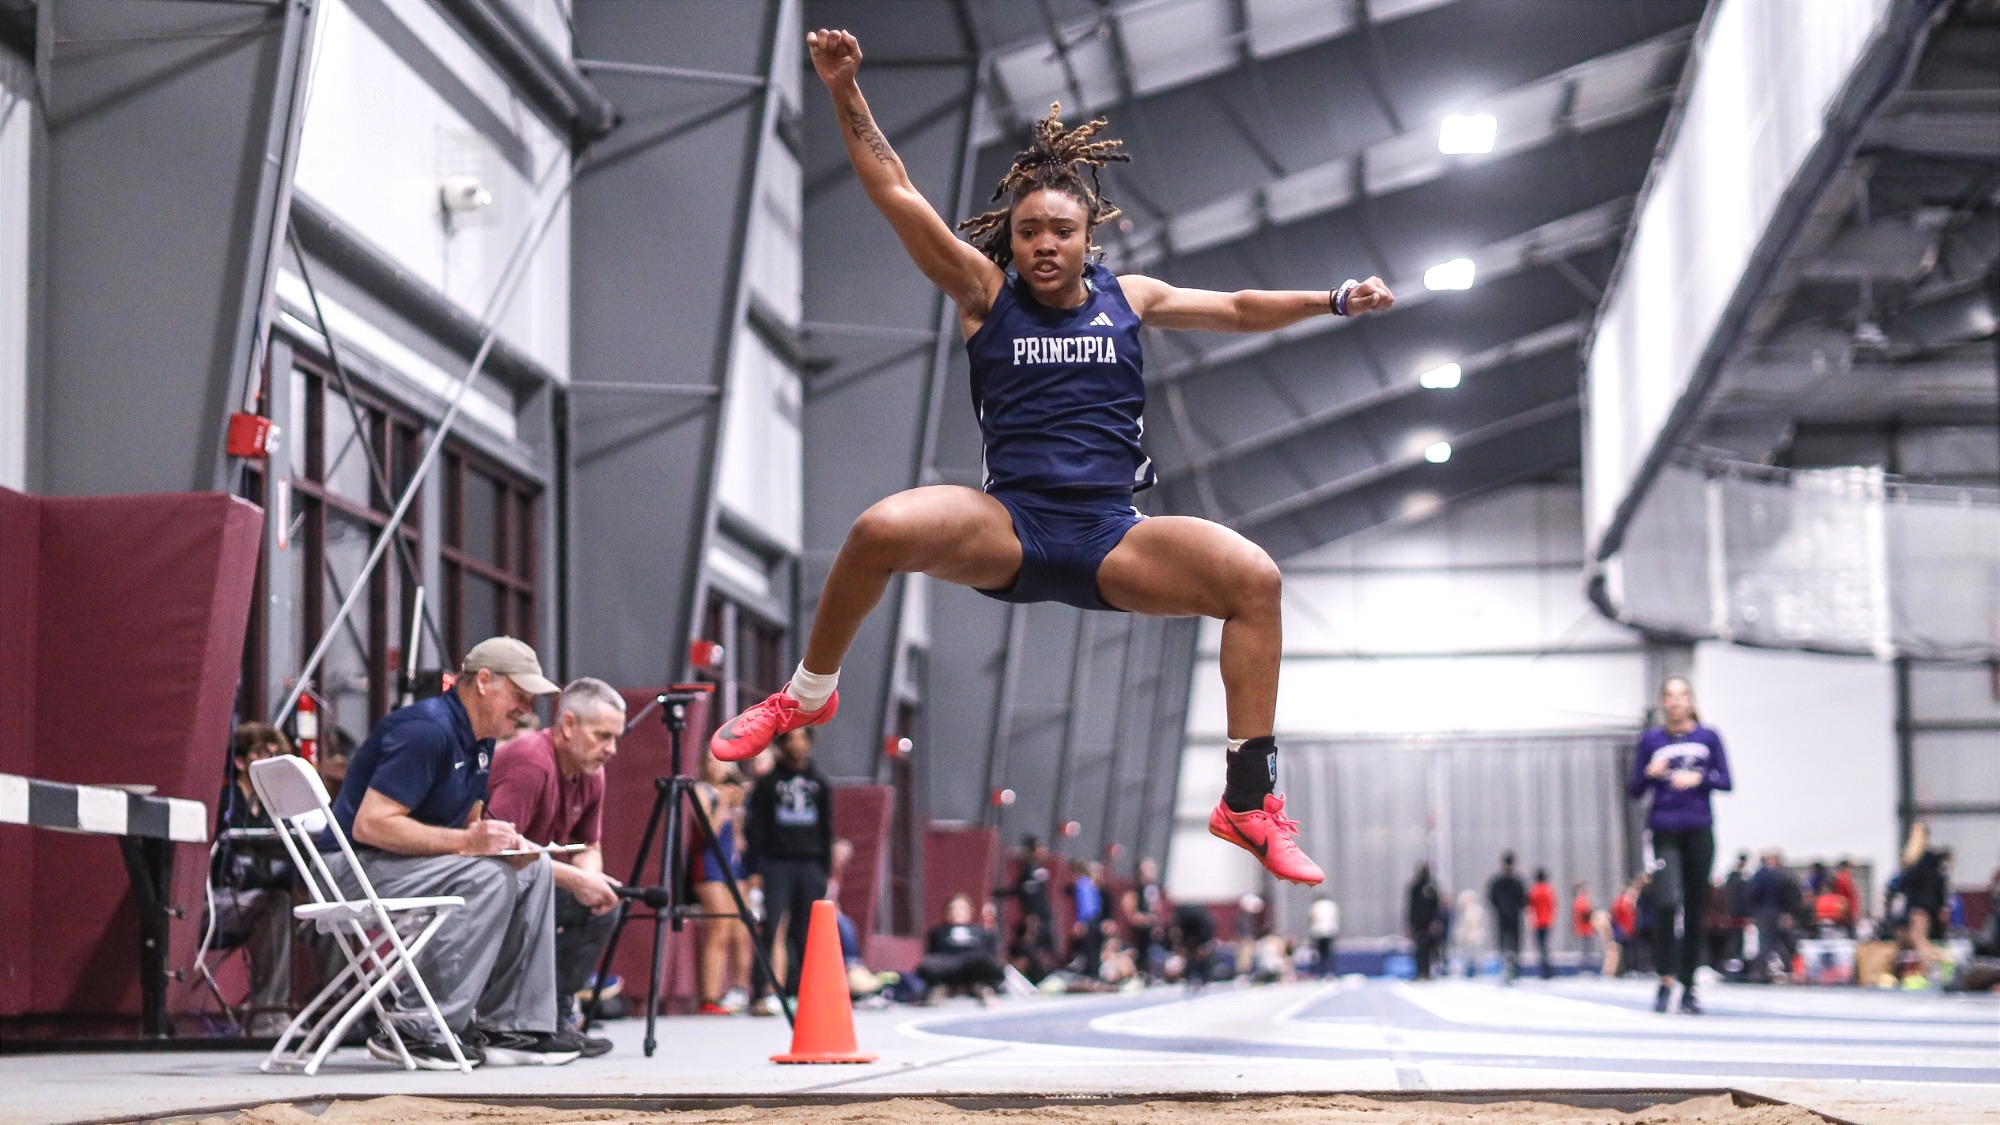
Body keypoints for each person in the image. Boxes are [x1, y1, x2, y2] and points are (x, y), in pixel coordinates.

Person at [706, 29, 1395, 891]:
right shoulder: (980, 294)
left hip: (1112, 533)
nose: (1040, 244)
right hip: (1013, 525)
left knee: (1253, 579)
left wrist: (1331, 299)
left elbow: (1240, 307)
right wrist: (847, 88)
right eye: (1027, 229)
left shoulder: (1129, 298)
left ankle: (1247, 801)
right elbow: (894, 191)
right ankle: (807, 693)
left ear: (1086, 234)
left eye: (1059, 231)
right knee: (879, 527)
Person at [324, 636, 581, 1068]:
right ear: (484, 681)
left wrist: (502, 845)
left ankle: (510, 1026)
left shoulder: (479, 741)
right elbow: (371, 824)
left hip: (396, 864)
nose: (526, 708)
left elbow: (468, 826)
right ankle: (415, 1027)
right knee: (486, 876)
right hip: (349, 867)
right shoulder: (427, 730)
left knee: (530, 870)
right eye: (519, 695)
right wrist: (470, 845)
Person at [486, 677, 623, 1056]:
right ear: (567, 726)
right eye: (602, 736)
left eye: (616, 738)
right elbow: (497, 850)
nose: (611, 749)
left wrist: (590, 880)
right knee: (580, 893)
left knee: (601, 907)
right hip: (490, 884)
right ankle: (525, 1021)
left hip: (533, 881)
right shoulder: (532, 762)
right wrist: (578, 880)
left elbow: (589, 844)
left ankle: (557, 1016)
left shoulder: (592, 772)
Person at [1628, 675, 1732, 1014]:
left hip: (1699, 830)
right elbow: (1634, 789)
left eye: (1682, 695)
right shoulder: (1651, 740)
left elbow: (1727, 780)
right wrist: (1649, 772)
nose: (1676, 701)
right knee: (1668, 901)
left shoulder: (1708, 737)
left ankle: (1689, 986)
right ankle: (1664, 978)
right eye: (1669, 695)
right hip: (1664, 831)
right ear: (1662, 702)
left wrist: (1699, 778)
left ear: (1690, 700)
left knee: (1694, 909)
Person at [212, 721, 299, 1036]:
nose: (273, 758)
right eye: (263, 752)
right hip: (218, 901)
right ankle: (269, 1017)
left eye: (277, 752)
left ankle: (334, 1009)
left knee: (312, 907)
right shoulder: (224, 803)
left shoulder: (276, 807)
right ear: (240, 761)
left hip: (259, 895)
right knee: (276, 905)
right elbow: (221, 863)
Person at [745, 726, 834, 1012]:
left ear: (809, 743)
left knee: (805, 931)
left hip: (809, 863)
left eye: (801, 739)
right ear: (782, 745)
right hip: (775, 862)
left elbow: (827, 828)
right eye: (791, 740)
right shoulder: (768, 783)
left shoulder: (819, 782)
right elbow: (755, 827)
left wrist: (825, 866)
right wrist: (754, 867)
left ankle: (801, 990)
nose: (797, 746)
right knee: (771, 927)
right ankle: (761, 990)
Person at [685, 752, 752, 1015]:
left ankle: (739, 990)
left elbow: (740, 838)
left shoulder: (733, 791)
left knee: (741, 931)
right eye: (710, 761)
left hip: (733, 866)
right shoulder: (702, 792)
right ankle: (709, 997)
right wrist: (723, 803)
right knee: (719, 932)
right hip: (710, 866)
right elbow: (707, 832)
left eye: (720, 761)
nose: (715, 766)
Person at [917, 894, 1006, 1002]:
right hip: (948, 963)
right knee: (928, 965)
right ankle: (943, 988)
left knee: (989, 963)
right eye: (953, 909)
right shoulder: (938, 931)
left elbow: (991, 955)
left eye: (961, 909)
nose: (957, 912)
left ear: (970, 911)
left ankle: (979, 986)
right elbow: (932, 954)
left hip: (975, 963)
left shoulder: (982, 932)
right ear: (947, 912)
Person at [1899, 821, 1952, 974]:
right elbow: (1940, 884)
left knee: (1918, 941)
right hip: (1928, 905)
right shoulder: (1932, 859)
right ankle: (1941, 959)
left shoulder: (1920, 859)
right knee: (1918, 940)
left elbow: (1911, 883)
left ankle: (1942, 961)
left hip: (1920, 906)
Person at [1748, 851, 1799, 983]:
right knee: (1780, 942)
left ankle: (1760, 972)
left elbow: (1753, 894)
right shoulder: (1782, 876)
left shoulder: (1759, 875)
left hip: (1762, 913)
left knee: (1765, 942)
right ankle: (1789, 969)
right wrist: (1787, 912)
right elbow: (1789, 896)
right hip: (1778, 913)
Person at [1487, 852, 1527, 983]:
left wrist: (1501, 908)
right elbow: (1524, 900)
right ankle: (1513, 970)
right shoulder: (1517, 881)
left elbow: (1491, 898)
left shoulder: (1497, 881)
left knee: (1504, 944)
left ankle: (1506, 969)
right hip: (1513, 917)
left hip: (1502, 917)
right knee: (1514, 945)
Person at [1406, 863, 1442, 981]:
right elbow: (1411, 907)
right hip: (1418, 924)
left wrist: (1436, 921)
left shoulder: (1432, 886)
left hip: (1429, 924)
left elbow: (1437, 906)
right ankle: (1420, 972)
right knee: (1419, 949)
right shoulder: (1415, 887)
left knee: (1429, 949)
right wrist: (1410, 924)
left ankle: (1427, 972)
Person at [1450, 888, 1487, 978]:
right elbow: (1462, 926)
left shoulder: (1477, 910)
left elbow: (1478, 924)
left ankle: (1475, 971)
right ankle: (1469, 971)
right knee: (1468, 957)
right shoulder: (1464, 912)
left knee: (1476, 957)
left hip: (1475, 937)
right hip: (1468, 938)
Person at [1529, 868, 1557, 980]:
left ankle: (1545, 970)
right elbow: (1553, 905)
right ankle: (1548, 969)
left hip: (1538, 921)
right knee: (1545, 945)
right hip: (1547, 920)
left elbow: (1531, 907)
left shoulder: (1534, 891)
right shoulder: (1549, 890)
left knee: (1541, 946)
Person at [1308, 893, 1340, 978]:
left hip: (1318, 931)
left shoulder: (1315, 906)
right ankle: (1330, 972)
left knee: (1319, 953)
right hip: (1330, 931)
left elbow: (1312, 918)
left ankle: (1318, 973)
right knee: (1328, 952)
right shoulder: (1332, 905)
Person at [1570, 884, 1596, 972]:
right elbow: (1584, 914)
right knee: (1585, 950)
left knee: (1586, 949)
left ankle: (1585, 967)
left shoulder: (1582, 900)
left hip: (1584, 928)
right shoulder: (1581, 900)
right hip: (1584, 929)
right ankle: (1584, 968)